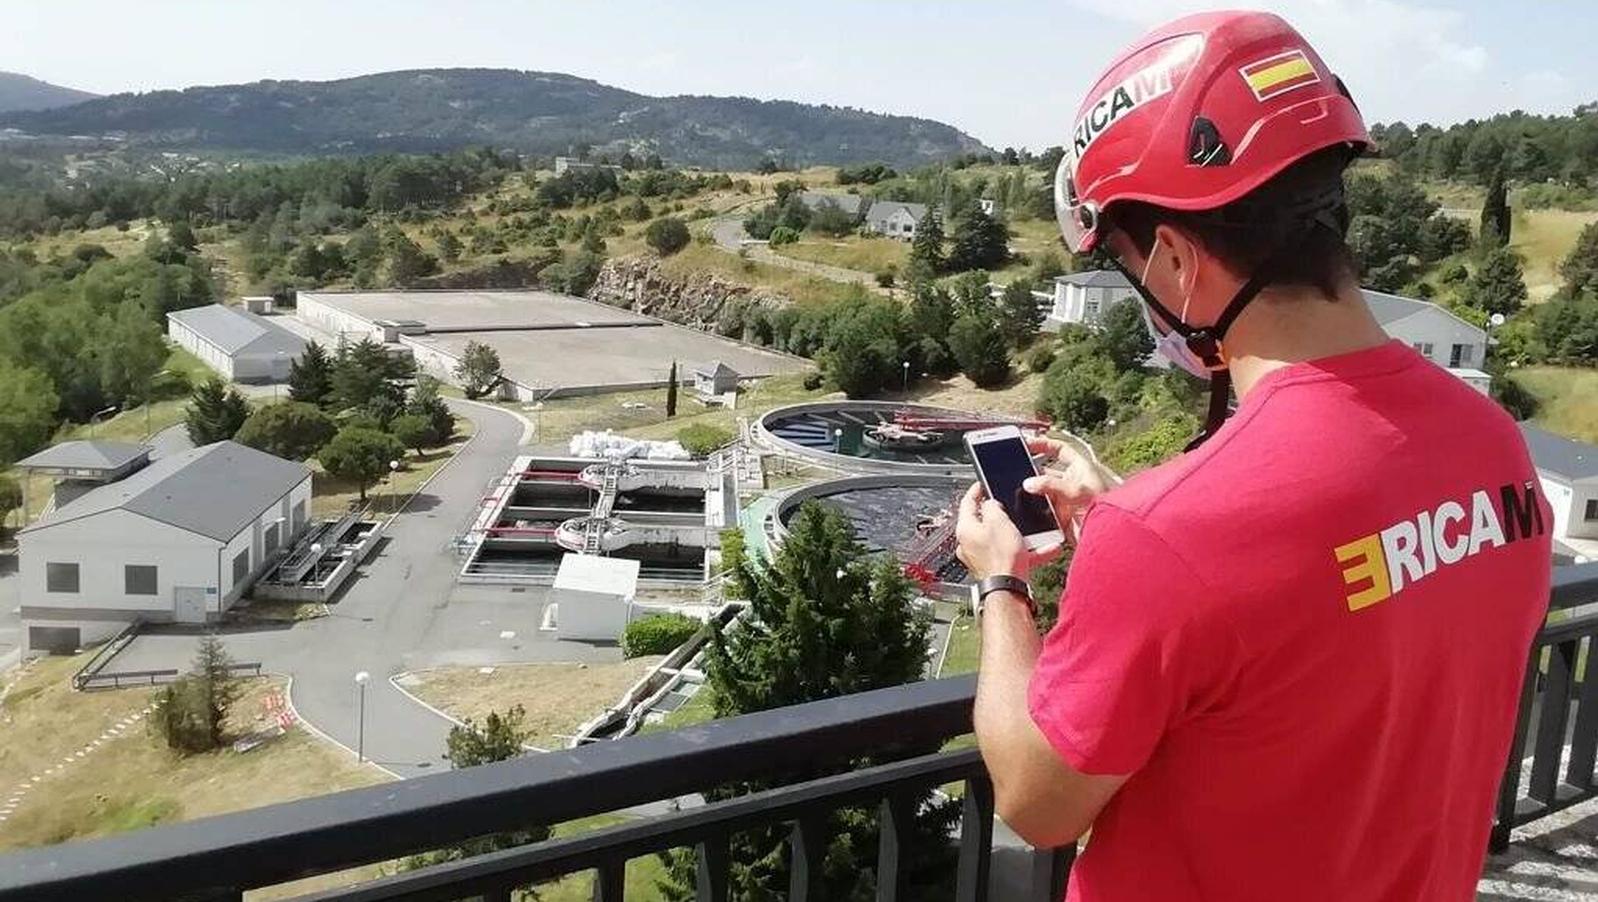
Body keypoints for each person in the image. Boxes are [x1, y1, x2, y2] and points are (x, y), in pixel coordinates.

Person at [955, 11, 1552, 901]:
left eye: (1124, 261)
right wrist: (1137, 522)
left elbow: (1040, 804)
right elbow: (1343, 613)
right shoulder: (1490, 442)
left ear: (1173, 257)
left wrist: (1001, 584)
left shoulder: (1173, 537)